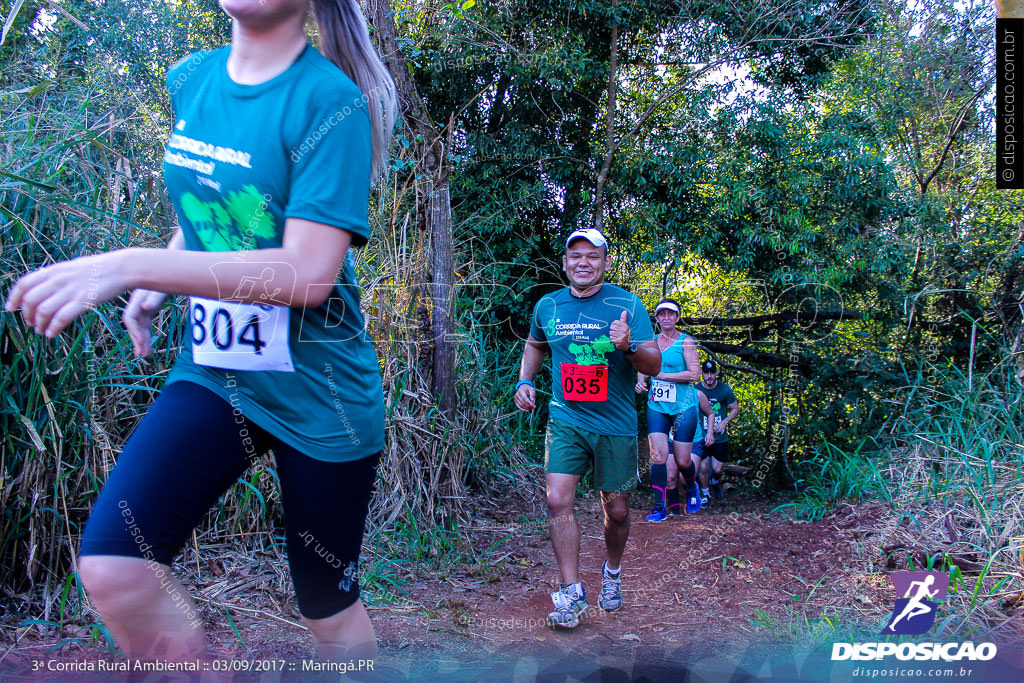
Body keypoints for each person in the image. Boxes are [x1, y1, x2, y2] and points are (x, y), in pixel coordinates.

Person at [5, 0, 397, 665]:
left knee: (326, 606)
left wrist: (131, 265)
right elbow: (219, 195)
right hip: (218, 375)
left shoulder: (331, 103)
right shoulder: (192, 77)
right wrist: (165, 273)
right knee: (114, 565)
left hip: (320, 395)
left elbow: (308, 273)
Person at [513, 228, 660, 628]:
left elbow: (654, 366)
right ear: (564, 262)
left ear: (605, 263)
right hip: (566, 420)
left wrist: (628, 345)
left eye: (593, 257)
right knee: (557, 500)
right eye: (575, 255)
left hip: (614, 424)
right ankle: (572, 594)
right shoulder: (549, 305)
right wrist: (525, 380)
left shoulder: (626, 304)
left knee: (616, 508)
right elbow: (535, 345)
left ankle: (612, 572)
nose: (583, 263)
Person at [635, 299, 713, 520]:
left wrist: (664, 376)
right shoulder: (651, 342)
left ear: (677, 317)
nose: (666, 317)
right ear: (657, 318)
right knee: (658, 456)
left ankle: (691, 486)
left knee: (682, 460)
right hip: (657, 407)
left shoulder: (686, 342)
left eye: (671, 314)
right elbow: (643, 365)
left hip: (684, 407)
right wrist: (640, 381)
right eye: (662, 314)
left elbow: (694, 374)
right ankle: (659, 507)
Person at [696, 360, 741, 502]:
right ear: (702, 373)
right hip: (701, 435)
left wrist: (724, 422)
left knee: (717, 470)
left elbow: (735, 409)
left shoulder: (724, 390)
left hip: (719, 436)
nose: (709, 376)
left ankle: (715, 483)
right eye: (706, 373)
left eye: (712, 373)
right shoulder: (696, 390)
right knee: (703, 467)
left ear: (716, 373)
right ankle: (705, 494)